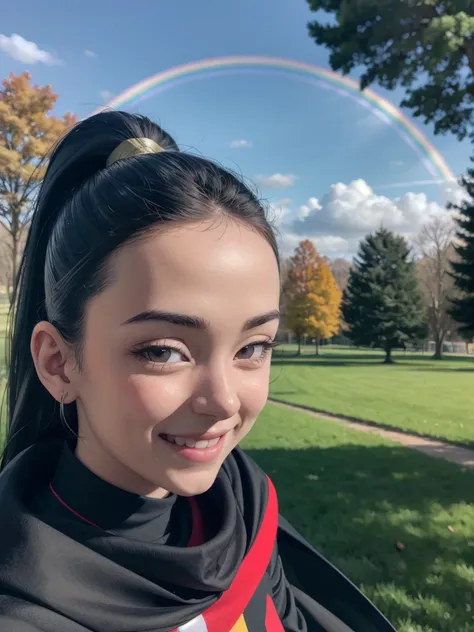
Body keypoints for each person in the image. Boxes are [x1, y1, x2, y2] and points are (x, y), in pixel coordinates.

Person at [0, 111, 395, 632]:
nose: (225, 401)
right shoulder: (29, 611)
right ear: (58, 362)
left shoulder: (244, 514)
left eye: (253, 347)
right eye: (164, 351)